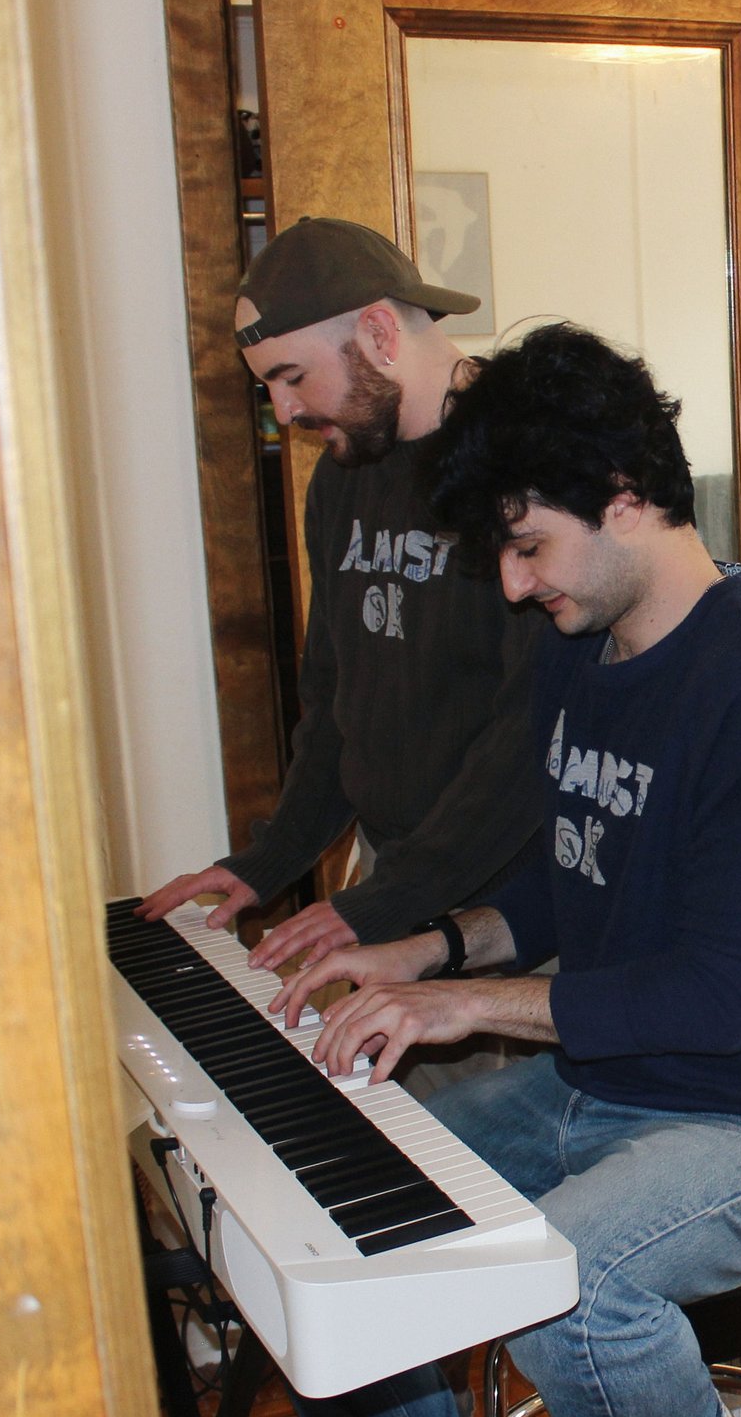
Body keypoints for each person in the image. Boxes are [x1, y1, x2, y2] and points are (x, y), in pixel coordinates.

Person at [270, 323, 741, 1417]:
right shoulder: (575, 655)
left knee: (570, 1274)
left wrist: (464, 1001)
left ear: (629, 500)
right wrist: (421, 951)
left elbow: (717, 999)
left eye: (528, 544)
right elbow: (565, 876)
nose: (508, 582)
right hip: (602, 1083)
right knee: (334, 1213)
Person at [139, 218, 549, 978]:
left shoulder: (528, 466)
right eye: (268, 385)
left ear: (378, 333)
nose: (283, 411)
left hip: (516, 908)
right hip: (393, 879)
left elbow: (533, 736)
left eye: (293, 377)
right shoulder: (342, 479)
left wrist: (383, 902)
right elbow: (335, 701)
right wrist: (272, 858)